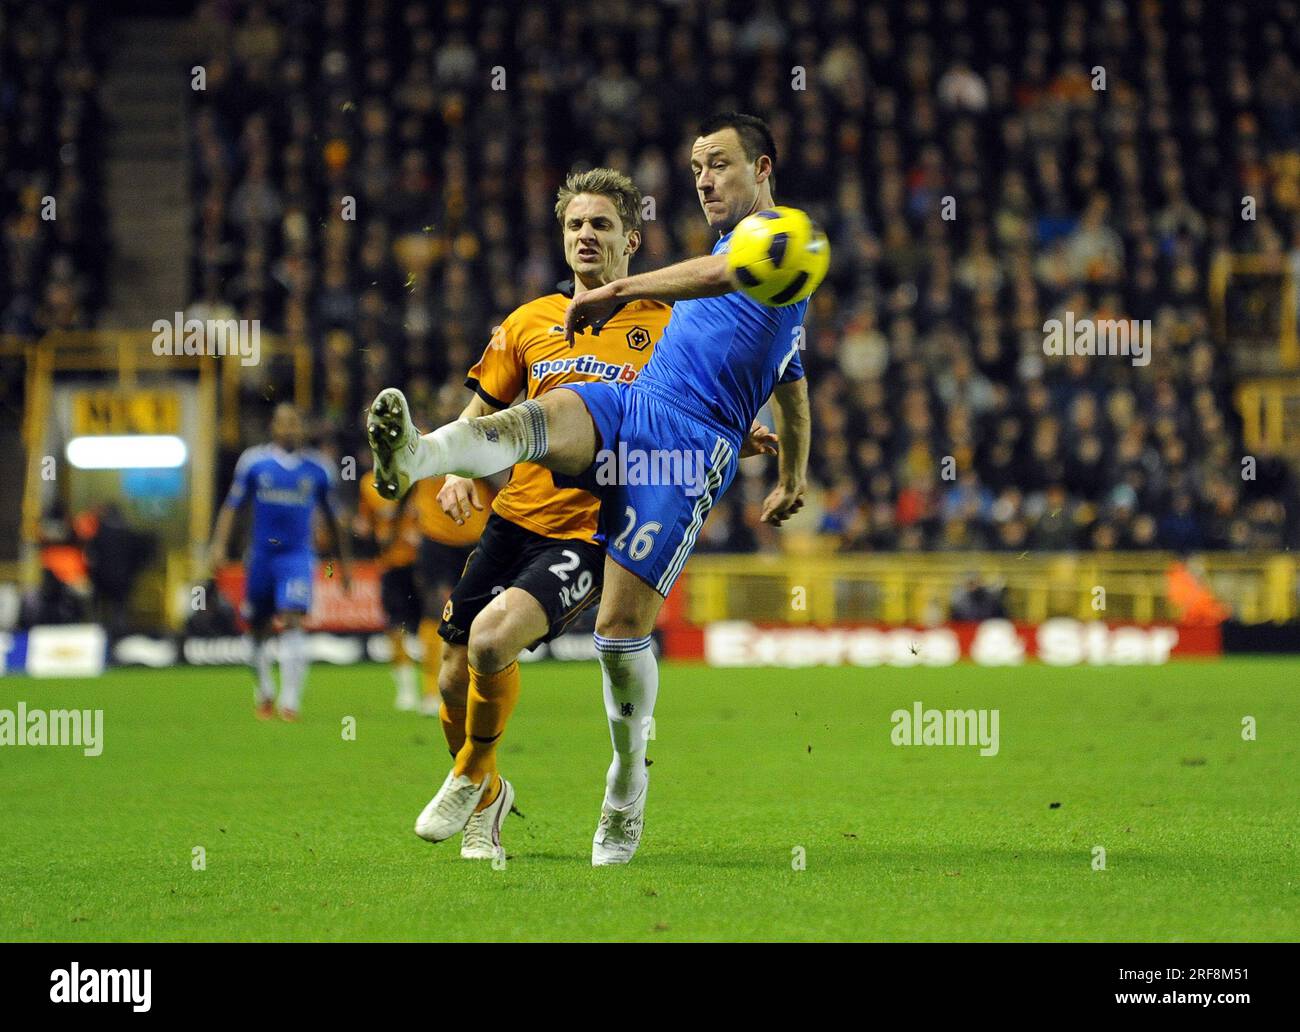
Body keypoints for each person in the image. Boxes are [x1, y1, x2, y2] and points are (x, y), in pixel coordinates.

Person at [368, 114, 809, 864]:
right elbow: (788, 374)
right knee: (546, 414)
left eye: (719, 164)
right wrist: (790, 459)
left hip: (680, 453)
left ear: (762, 165)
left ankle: (626, 781)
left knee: (617, 632)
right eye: (697, 165)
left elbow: (729, 286)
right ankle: (417, 455)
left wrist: (774, 455)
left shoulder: (789, 238)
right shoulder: (565, 309)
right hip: (633, 412)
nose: (704, 178)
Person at [209, 404, 352, 720]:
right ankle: (264, 691)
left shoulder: (319, 468)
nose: (289, 429)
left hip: (297, 556)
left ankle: (290, 701)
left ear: (303, 428)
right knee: (257, 627)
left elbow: (335, 519)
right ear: (273, 427)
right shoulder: (254, 463)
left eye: (295, 423)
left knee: (292, 618)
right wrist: (219, 545)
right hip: (261, 556)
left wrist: (344, 565)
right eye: (283, 423)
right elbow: (232, 506)